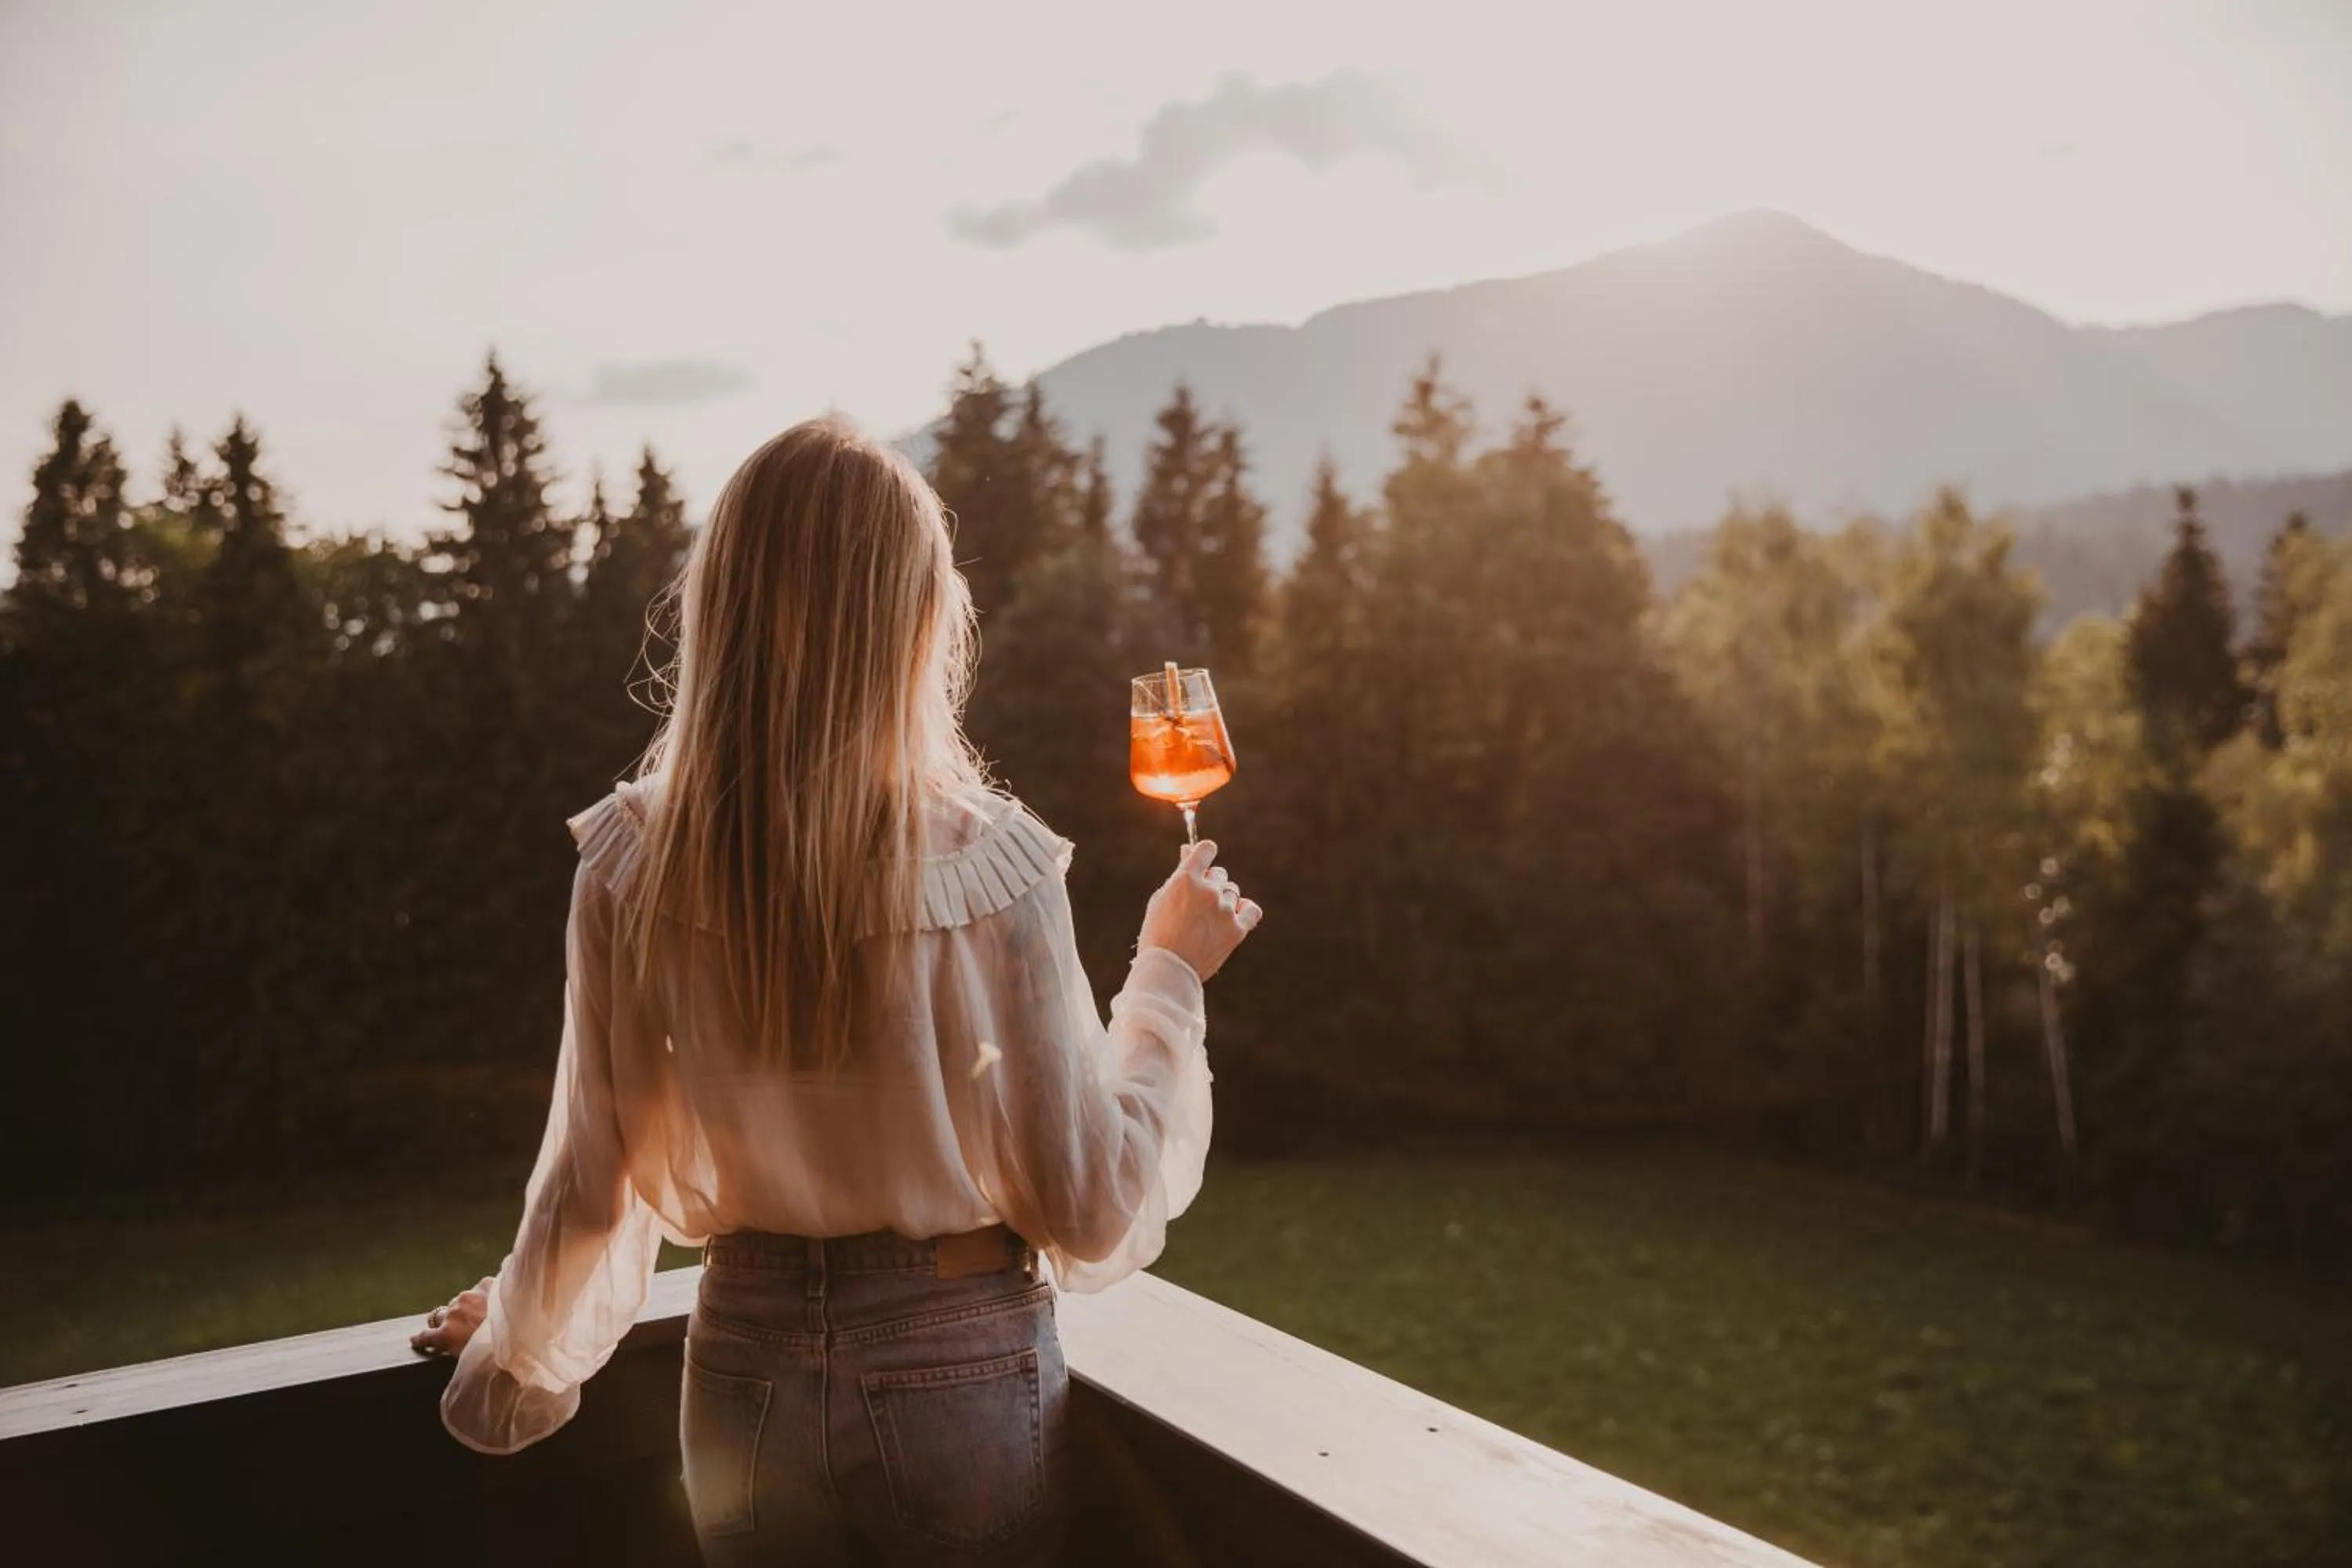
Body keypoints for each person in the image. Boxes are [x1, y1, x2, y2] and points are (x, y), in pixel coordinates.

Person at [408, 417, 1260, 1565]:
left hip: (741, 1374)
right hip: (958, 1369)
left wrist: (514, 1351)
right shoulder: (994, 867)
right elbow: (1091, 1203)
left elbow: (592, 1183)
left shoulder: (630, 860)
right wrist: (1168, 975)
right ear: (916, 621)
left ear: (724, 610)